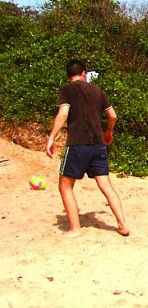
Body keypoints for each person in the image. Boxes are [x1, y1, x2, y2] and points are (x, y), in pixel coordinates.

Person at [45, 59, 130, 237]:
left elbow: (63, 113)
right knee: (106, 185)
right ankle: (122, 225)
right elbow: (113, 115)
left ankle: (75, 229)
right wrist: (108, 132)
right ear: (84, 74)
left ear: (68, 75)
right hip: (98, 144)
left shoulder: (67, 89)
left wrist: (51, 138)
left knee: (65, 186)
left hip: (77, 144)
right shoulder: (97, 90)